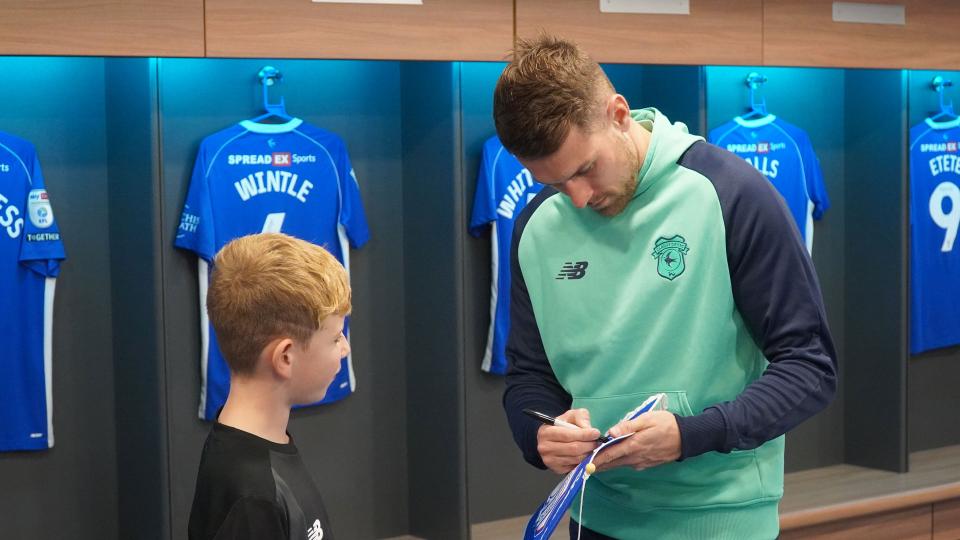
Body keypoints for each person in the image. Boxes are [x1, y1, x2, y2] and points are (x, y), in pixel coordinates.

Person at [496, 36, 837, 539]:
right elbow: (528, 377)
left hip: (720, 520)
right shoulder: (535, 229)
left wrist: (691, 435)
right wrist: (539, 433)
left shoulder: (732, 195)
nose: (578, 199)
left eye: (585, 169)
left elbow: (810, 366)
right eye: (554, 183)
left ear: (618, 113)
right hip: (594, 518)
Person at [188, 232, 351, 540]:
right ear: (285, 357)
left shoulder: (265, 449)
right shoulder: (253, 498)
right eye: (335, 338)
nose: (345, 348)